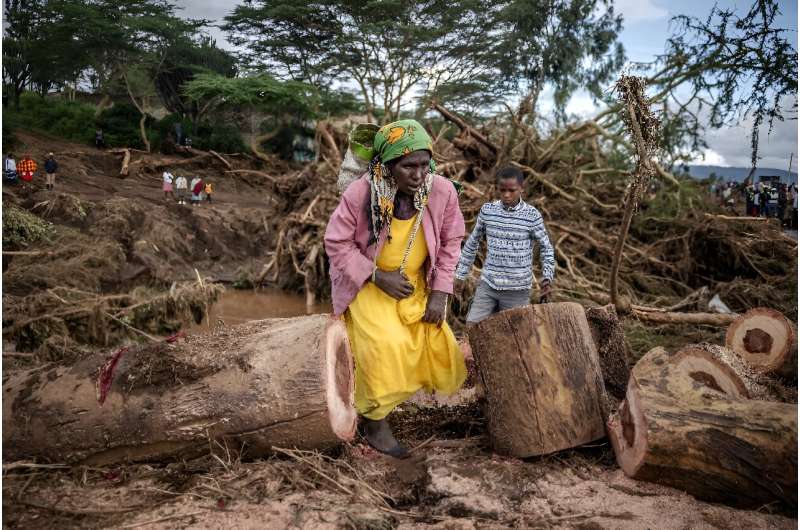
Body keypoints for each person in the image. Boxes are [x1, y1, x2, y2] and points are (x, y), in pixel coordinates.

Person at [324, 119, 467, 458]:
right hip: (367, 284)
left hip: (413, 282)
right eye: (408, 167)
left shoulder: (441, 191)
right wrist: (377, 276)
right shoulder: (362, 192)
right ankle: (375, 421)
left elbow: (451, 242)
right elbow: (336, 242)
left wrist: (440, 292)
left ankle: (386, 403)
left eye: (424, 164)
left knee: (433, 341)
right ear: (388, 165)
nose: (418, 174)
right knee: (383, 346)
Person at [454, 167, 555, 324]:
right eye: (502, 190)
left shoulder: (532, 216)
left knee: (516, 334)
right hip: (488, 285)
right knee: (473, 326)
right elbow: (472, 244)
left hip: (517, 291)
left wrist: (547, 278)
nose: (506, 195)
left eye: (511, 190)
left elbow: (546, 248)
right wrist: (460, 275)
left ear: (521, 188)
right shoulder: (488, 211)